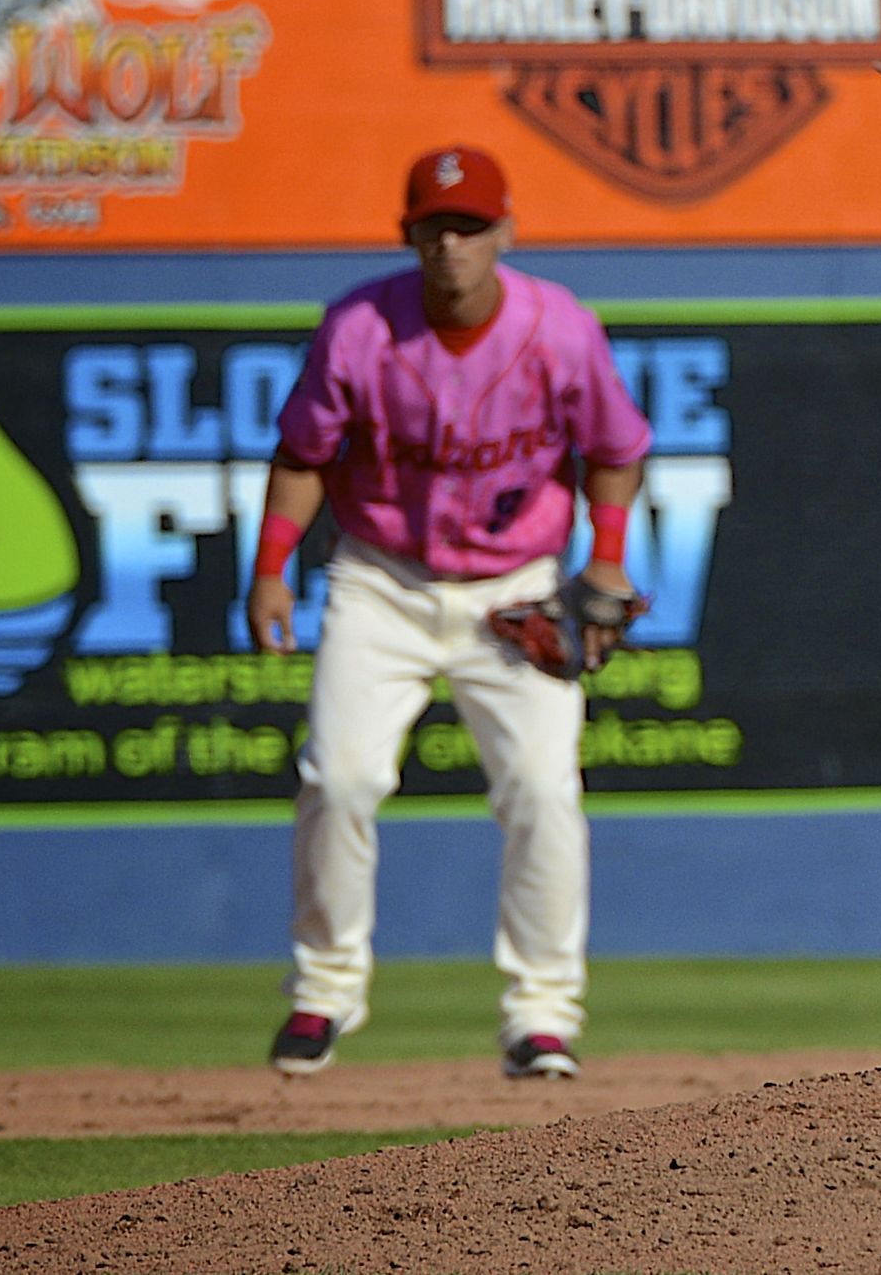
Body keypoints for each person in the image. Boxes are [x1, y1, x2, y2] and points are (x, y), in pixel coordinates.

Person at [248, 145, 653, 1080]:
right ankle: (324, 991)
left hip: (514, 586)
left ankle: (543, 1016)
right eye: (436, 228)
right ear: (409, 235)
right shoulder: (357, 326)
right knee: (341, 778)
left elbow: (616, 447)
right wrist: (271, 569)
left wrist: (606, 558)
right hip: (381, 579)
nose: (453, 246)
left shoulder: (559, 328)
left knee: (546, 792)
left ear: (505, 233)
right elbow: (303, 454)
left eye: (471, 227)